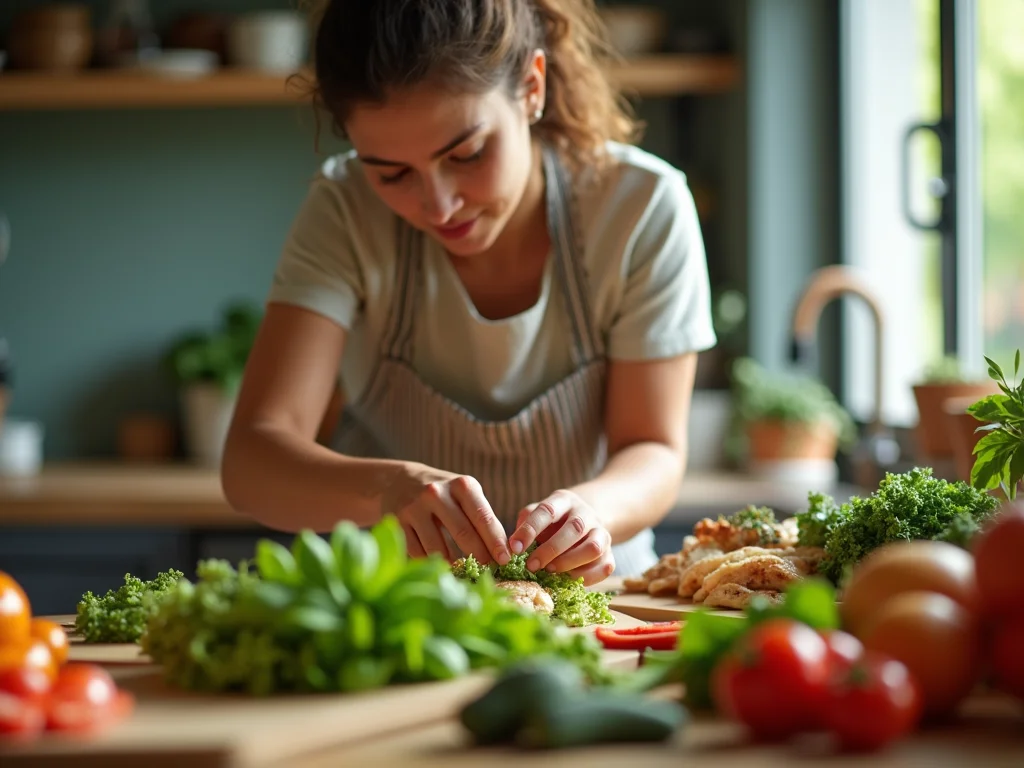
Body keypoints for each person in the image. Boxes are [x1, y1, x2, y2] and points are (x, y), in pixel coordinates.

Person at [221, 0, 717, 585]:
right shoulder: (345, 211)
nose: (439, 205)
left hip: (594, 594)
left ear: (532, 88)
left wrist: (594, 512)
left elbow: (654, 448)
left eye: (466, 154)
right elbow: (253, 460)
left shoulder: (641, 207)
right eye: (391, 173)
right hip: (399, 600)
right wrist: (389, 487)